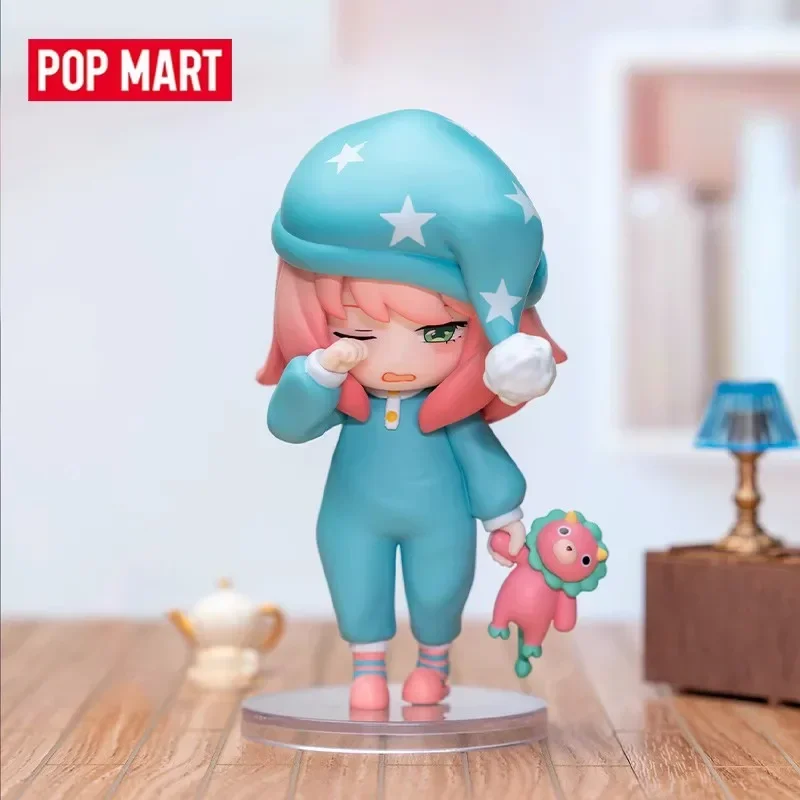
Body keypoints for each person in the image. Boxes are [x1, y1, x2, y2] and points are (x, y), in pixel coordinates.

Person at [258, 110, 566, 710]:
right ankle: (367, 667)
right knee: (355, 575)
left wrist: (503, 517)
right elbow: (288, 423)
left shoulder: (448, 418)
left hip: (441, 519)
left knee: (440, 585)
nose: (397, 359)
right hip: (352, 513)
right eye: (360, 332)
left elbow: (481, 459)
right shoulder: (345, 398)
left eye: (439, 333)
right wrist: (321, 372)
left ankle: (433, 663)